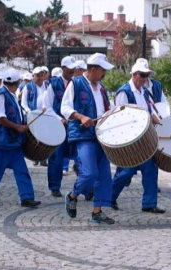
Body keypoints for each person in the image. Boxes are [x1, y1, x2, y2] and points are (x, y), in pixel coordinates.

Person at [61, 53, 115, 224]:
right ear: (92, 70)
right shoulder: (75, 84)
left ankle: (97, 212)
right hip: (83, 135)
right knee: (89, 173)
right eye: (102, 70)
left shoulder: (102, 88)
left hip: (101, 136)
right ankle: (72, 195)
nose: (104, 74)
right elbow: (64, 108)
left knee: (104, 175)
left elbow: (108, 109)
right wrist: (80, 117)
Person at [111, 59, 166, 214]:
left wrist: (161, 123)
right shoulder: (124, 92)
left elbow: (150, 112)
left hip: (144, 139)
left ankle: (149, 203)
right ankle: (109, 197)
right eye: (142, 75)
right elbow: (121, 118)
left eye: (147, 75)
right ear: (134, 75)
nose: (145, 79)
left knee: (150, 170)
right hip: (129, 141)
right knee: (125, 174)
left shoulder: (145, 92)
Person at [0, 69, 41, 208]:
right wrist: (17, 127)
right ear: (17, 82)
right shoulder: (1, 96)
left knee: (22, 170)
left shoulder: (10, 95)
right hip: (0, 142)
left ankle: (27, 197)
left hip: (12, 142)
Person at [43, 56, 77, 197]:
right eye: (69, 70)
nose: (71, 73)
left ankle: (87, 188)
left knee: (80, 156)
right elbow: (46, 106)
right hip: (58, 126)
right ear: (62, 68)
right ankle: (55, 186)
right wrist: (59, 119)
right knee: (56, 158)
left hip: (74, 126)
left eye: (73, 70)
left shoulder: (76, 83)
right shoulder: (53, 84)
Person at [22, 67, 48, 166]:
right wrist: (29, 112)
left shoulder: (47, 85)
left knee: (45, 137)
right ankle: (35, 156)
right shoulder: (28, 87)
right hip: (33, 116)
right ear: (33, 76)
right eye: (37, 75)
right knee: (34, 137)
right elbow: (24, 103)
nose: (40, 77)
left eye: (41, 75)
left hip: (45, 116)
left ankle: (43, 157)